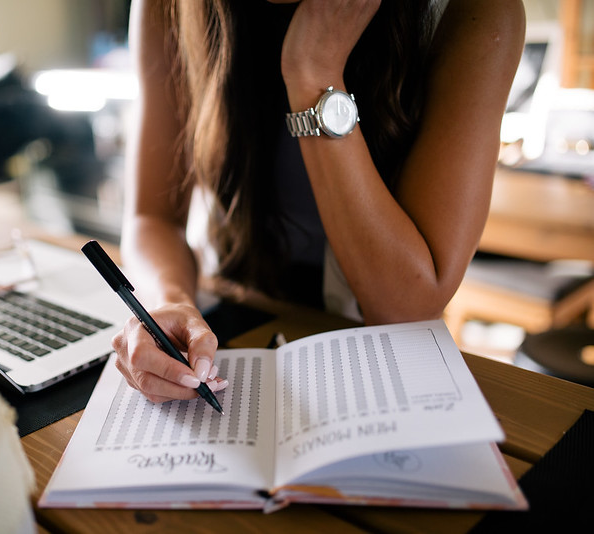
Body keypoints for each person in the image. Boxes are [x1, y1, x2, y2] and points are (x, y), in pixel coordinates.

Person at [113, 0, 525, 403]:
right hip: (230, 320)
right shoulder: (172, 7)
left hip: (372, 359)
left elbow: (407, 308)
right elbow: (152, 217)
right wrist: (169, 303)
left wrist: (314, 71)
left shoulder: (476, 13)